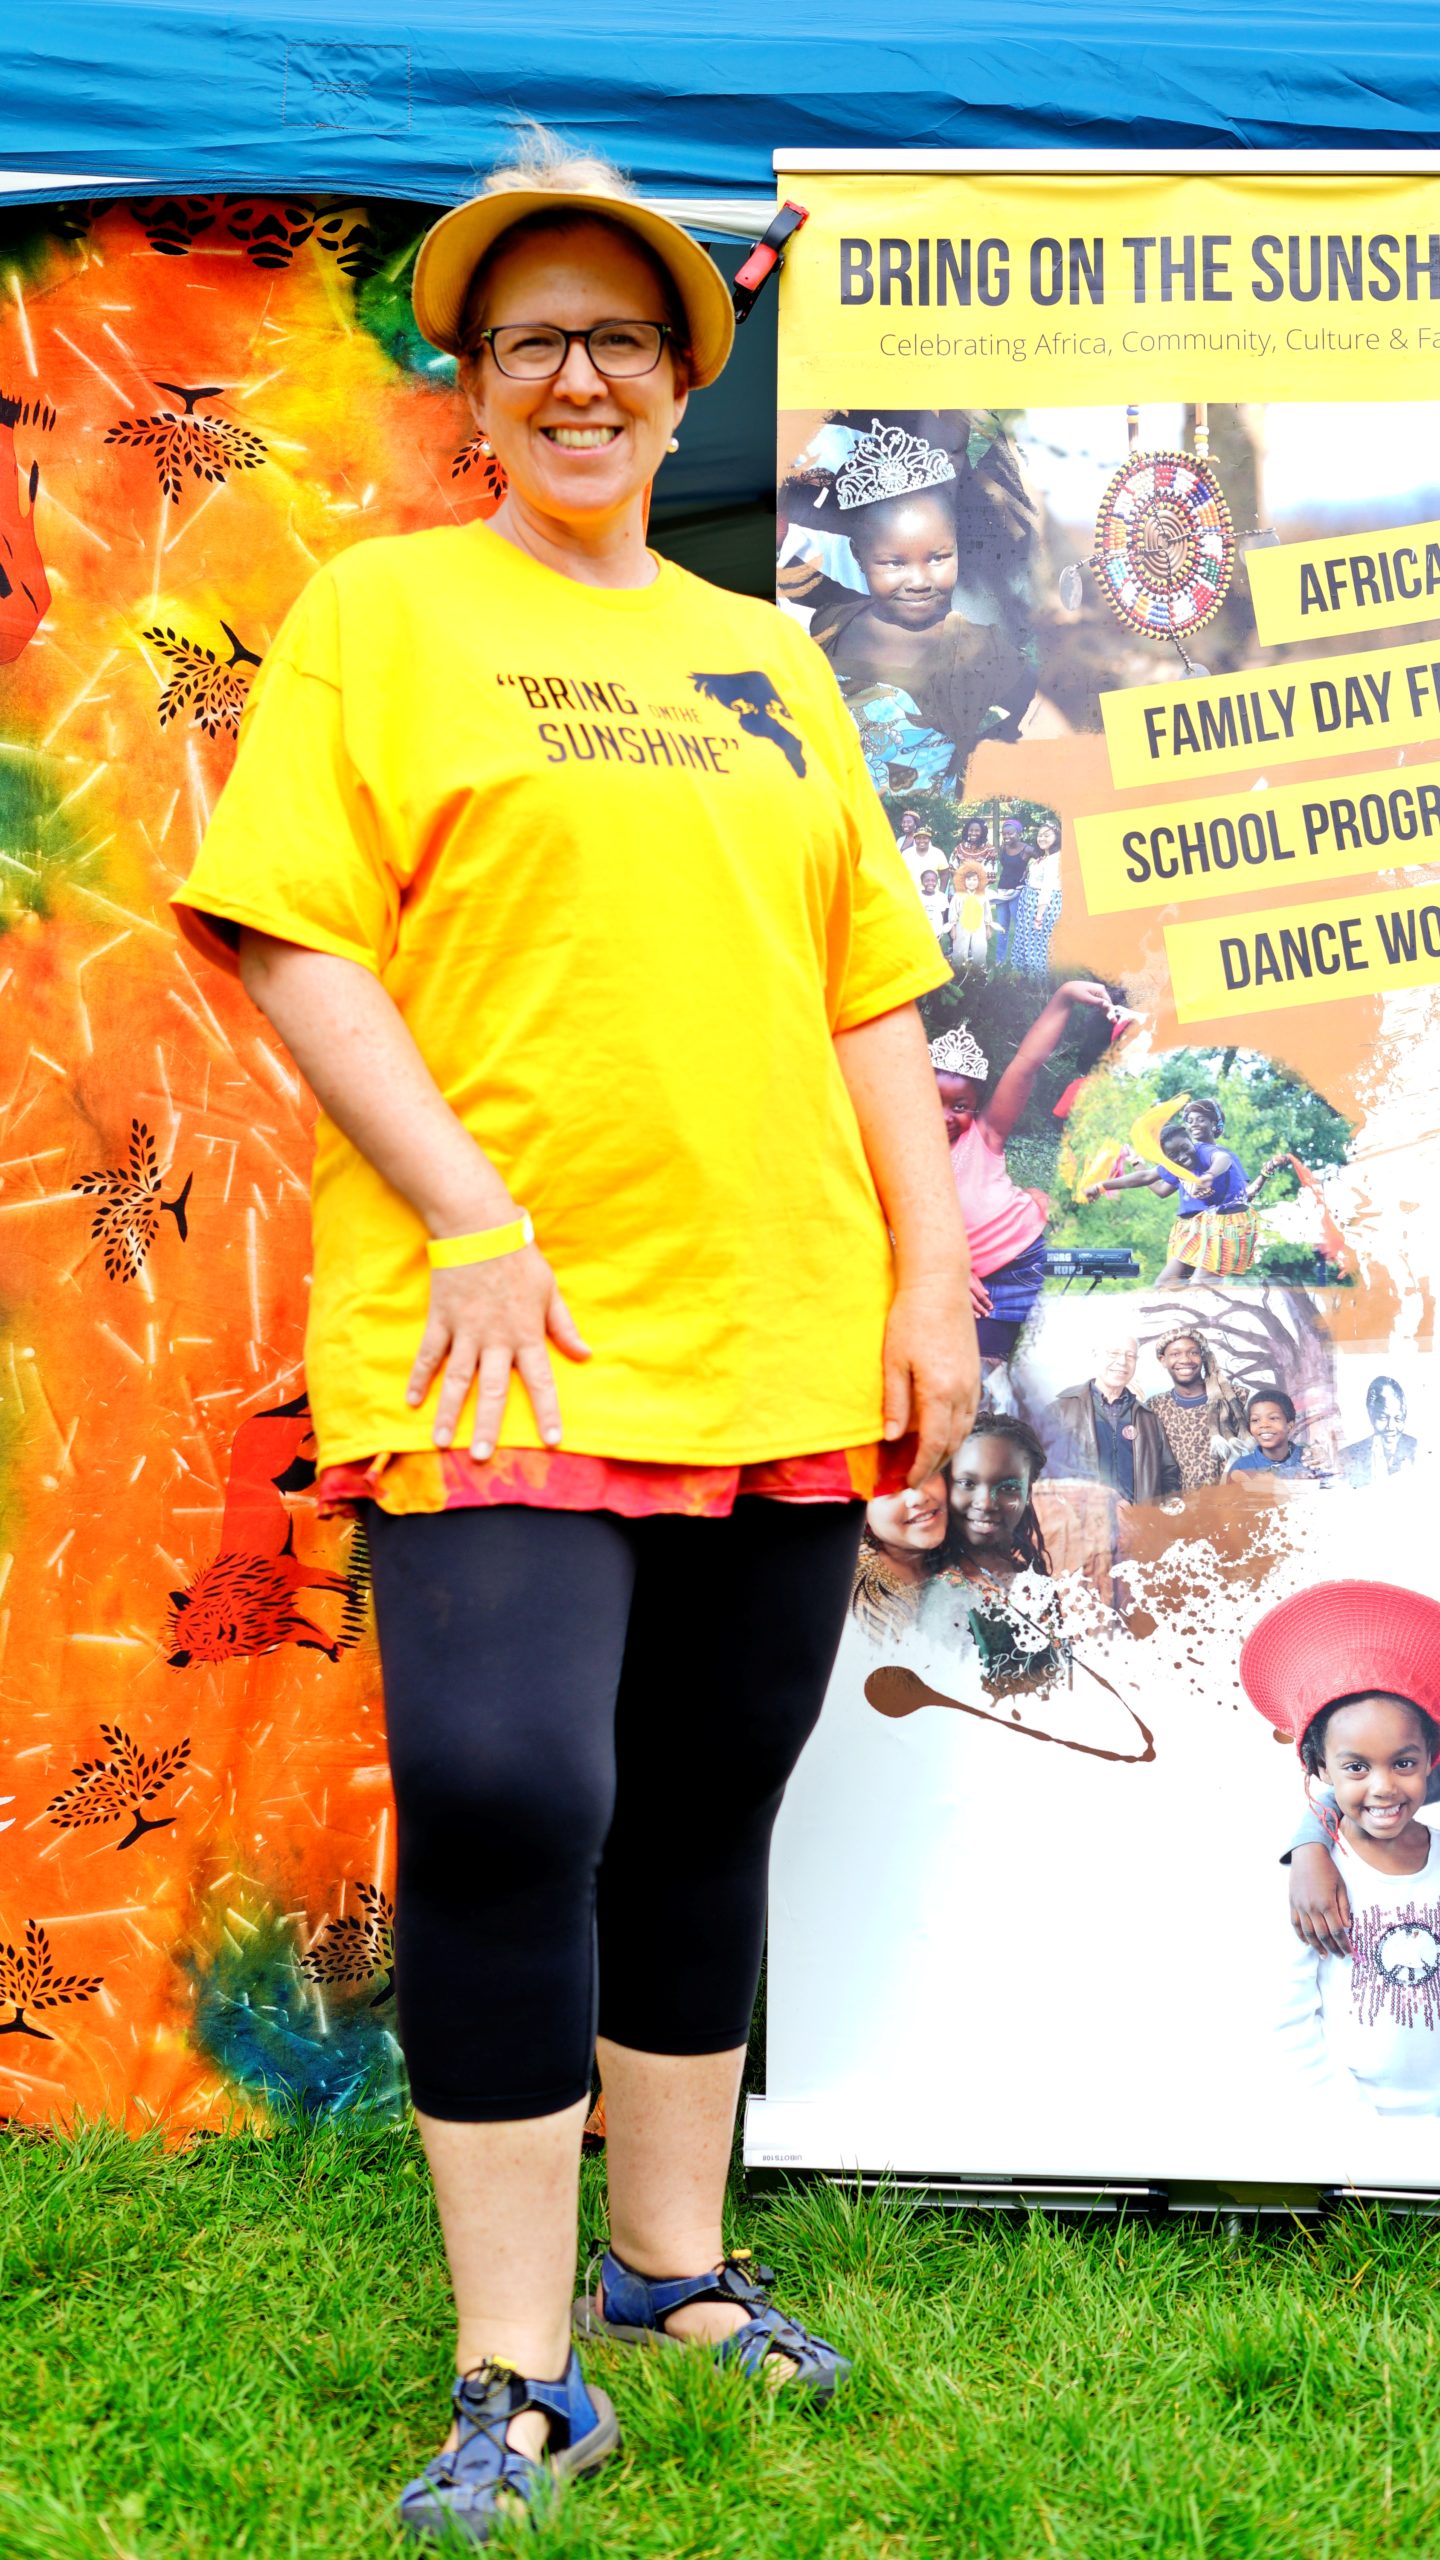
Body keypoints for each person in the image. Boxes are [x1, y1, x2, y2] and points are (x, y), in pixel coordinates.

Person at [170, 129, 980, 2546]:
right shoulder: (385, 614)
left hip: (773, 1309)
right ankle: (515, 2364)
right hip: (499, 1321)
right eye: (530, 340)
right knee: (515, 1786)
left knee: (707, 1794)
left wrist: (929, 1276)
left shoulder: (771, 656)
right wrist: (468, 1211)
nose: (578, 378)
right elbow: (292, 931)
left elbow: (866, 990)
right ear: (473, 389)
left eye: (620, 337)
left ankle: (669, 2264)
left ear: (678, 379)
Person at [1241, 1580, 1440, 2118]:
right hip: (1357, 2120)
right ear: (1321, 1768)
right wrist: (1349, 2119)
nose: (1383, 1786)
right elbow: (1286, 2016)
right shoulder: (1313, 1880)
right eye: (1357, 1767)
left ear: (1431, 1759)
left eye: (1404, 1763)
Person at [799, 427, 1035, 796]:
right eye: (894, 563)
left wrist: (978, 765)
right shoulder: (831, 623)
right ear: (859, 555)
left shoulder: (977, 649)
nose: (920, 581)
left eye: (938, 557)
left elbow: (1038, 708)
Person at [930, 980, 1113, 1362]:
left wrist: (1063, 996)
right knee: (982, 1373)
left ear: (975, 1108)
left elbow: (1025, 1065)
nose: (945, 1115)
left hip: (1031, 1260)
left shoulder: (984, 1135)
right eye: (934, 1101)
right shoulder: (898, 1154)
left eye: (959, 1106)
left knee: (1064, 1359)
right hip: (974, 1287)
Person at [920, 1407, 1061, 1686]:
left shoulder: (1030, 1580)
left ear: (1028, 1493)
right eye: (967, 1483)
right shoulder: (942, 1595)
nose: (985, 1503)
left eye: (1008, 1487)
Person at [1082, 1109, 1284, 1286]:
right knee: (1164, 1285)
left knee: (1199, 1285)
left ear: (1191, 1140)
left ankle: (1209, 1309)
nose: (1183, 1157)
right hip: (1197, 1230)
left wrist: (1210, 1175)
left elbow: (1224, 1161)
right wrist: (1102, 1186)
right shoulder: (1175, 1165)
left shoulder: (1206, 1152)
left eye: (1185, 1148)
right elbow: (1150, 1180)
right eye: (1173, 1155)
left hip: (1227, 1225)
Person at [1049, 1336, 1182, 1503]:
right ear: (1095, 1355)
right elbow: (1043, 1471)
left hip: (1139, 1517)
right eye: (1113, 1353)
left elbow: (1169, 1473)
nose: (1122, 1362)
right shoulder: (1060, 1411)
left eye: (1130, 1356)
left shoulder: (1148, 1418)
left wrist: (1161, 1512)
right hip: (1084, 1517)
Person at [1144, 1325, 1247, 1489]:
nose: (1185, 1360)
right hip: (1179, 1502)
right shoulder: (1155, 1406)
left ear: (1203, 1356)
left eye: (1193, 1352)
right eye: (1175, 1354)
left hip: (1231, 1499)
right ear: (1163, 1360)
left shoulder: (1236, 1398)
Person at [851, 1473, 949, 1642]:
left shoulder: (948, 1557)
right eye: (889, 1487)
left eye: (928, 1472)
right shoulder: (864, 1597)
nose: (918, 1497)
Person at [1226, 1388, 1325, 1481]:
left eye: (1273, 1418)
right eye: (1255, 1420)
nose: (1263, 1425)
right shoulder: (1241, 1467)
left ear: (1289, 1425)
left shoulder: (1310, 1460)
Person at [1008, 819, 1063, 978]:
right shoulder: (1045, 856)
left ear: (1057, 837)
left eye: (1047, 835)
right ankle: (1025, 977)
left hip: (1042, 905)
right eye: (1040, 835)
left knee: (1038, 943)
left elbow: (1047, 887)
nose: (1042, 838)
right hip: (1030, 902)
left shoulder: (1054, 859)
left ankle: (1038, 981)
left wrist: (1039, 916)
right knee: (1027, 939)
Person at [1340, 1375, 1418, 1486]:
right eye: (1383, 1418)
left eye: (1398, 1418)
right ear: (1371, 1414)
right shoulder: (1348, 1456)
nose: (1391, 1427)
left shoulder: (1420, 1449)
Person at [990, 815, 1030, 967]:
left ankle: (1021, 960)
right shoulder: (1003, 848)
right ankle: (1000, 959)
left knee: (1020, 926)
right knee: (1001, 926)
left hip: (1017, 892)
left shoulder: (1027, 849)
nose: (1006, 836)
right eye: (1004, 833)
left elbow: (1042, 859)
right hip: (1002, 891)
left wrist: (1029, 870)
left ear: (1018, 833)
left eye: (1010, 833)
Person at [916, 865, 953, 950]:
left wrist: (941, 929)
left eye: (933, 880)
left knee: (936, 950)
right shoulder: (916, 896)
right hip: (921, 932)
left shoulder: (942, 897)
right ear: (922, 882)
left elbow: (942, 915)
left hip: (936, 932)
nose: (930, 883)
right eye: (927, 880)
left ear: (937, 881)